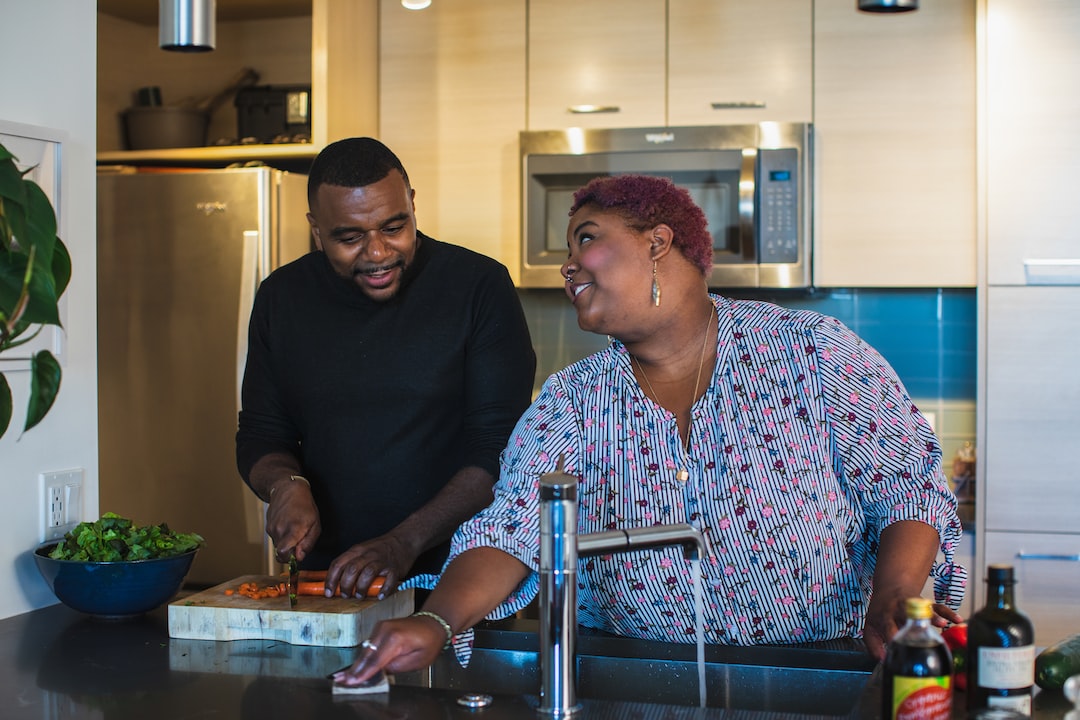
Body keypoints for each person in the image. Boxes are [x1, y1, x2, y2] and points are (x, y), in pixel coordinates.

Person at [332, 173, 966, 687]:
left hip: (819, 669)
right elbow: (514, 529)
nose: (568, 266)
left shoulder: (813, 353)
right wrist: (439, 622)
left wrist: (896, 595)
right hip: (629, 676)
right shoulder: (575, 399)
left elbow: (905, 487)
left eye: (585, 239)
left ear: (659, 242)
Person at [235, 137, 536, 598]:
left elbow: (501, 450)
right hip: (328, 581)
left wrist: (403, 542)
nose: (377, 253)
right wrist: (284, 485)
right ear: (317, 230)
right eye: (350, 237)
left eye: (394, 227)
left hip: (461, 582)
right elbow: (261, 432)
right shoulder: (283, 298)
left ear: (413, 205)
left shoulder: (477, 287)